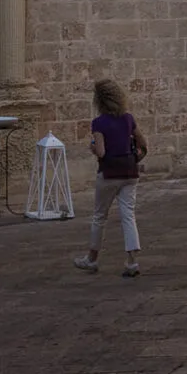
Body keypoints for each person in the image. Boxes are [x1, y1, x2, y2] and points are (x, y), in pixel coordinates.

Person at [73, 79, 146, 278]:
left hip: (109, 173)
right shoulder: (128, 119)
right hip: (130, 172)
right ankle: (132, 261)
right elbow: (142, 142)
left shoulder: (99, 123)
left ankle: (92, 258)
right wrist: (135, 156)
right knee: (128, 215)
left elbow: (102, 152)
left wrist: (93, 147)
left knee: (99, 216)